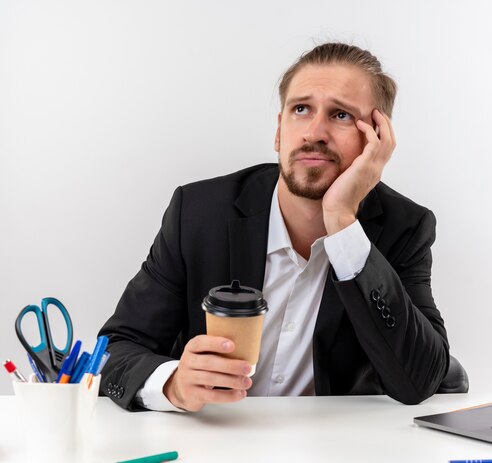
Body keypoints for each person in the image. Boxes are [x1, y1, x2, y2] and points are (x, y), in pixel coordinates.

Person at [99, 42, 450, 412]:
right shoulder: (199, 214)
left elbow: (420, 381)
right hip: (207, 441)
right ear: (280, 131)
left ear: (377, 140)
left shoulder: (404, 228)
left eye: (341, 115)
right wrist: (172, 384)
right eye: (301, 109)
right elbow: (116, 349)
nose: (314, 132)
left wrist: (344, 223)